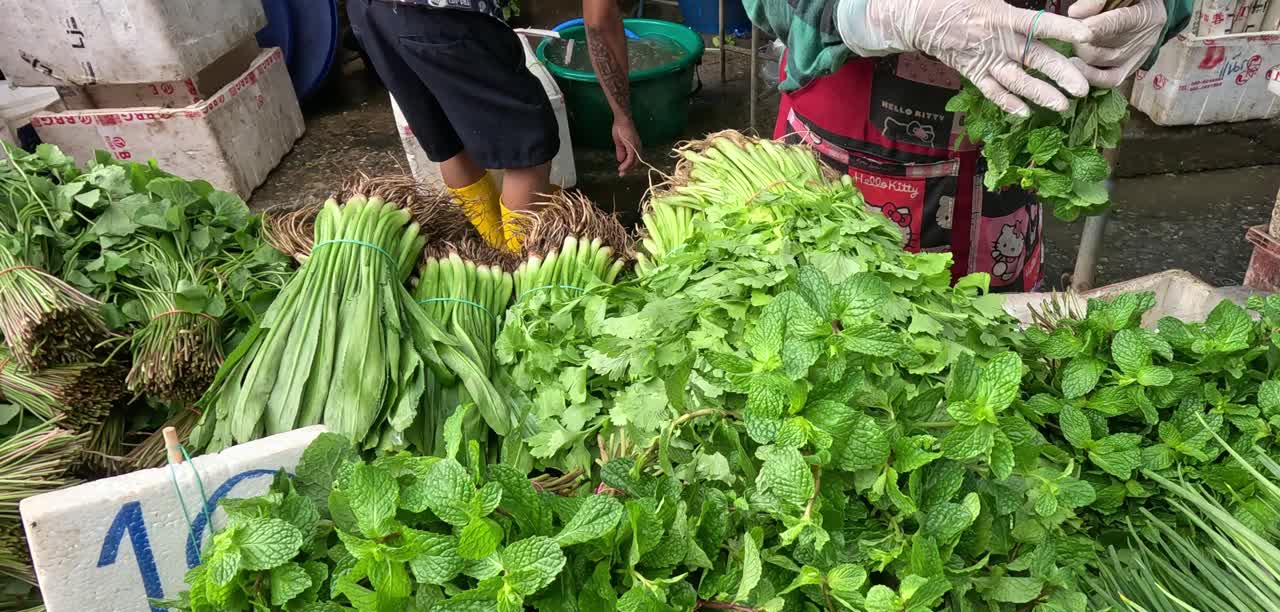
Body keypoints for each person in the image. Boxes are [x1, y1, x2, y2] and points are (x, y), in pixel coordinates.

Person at [745, 0, 1186, 292]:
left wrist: (1158, 8)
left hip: (1005, 157)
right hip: (846, 152)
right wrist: (884, 12)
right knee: (827, 344)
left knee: (989, 372)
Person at [348, 0, 642, 251]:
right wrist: (623, 116)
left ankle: (494, 247)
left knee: (450, 137)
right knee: (529, 148)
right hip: (442, 18)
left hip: (370, 15)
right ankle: (521, 263)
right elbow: (600, 20)